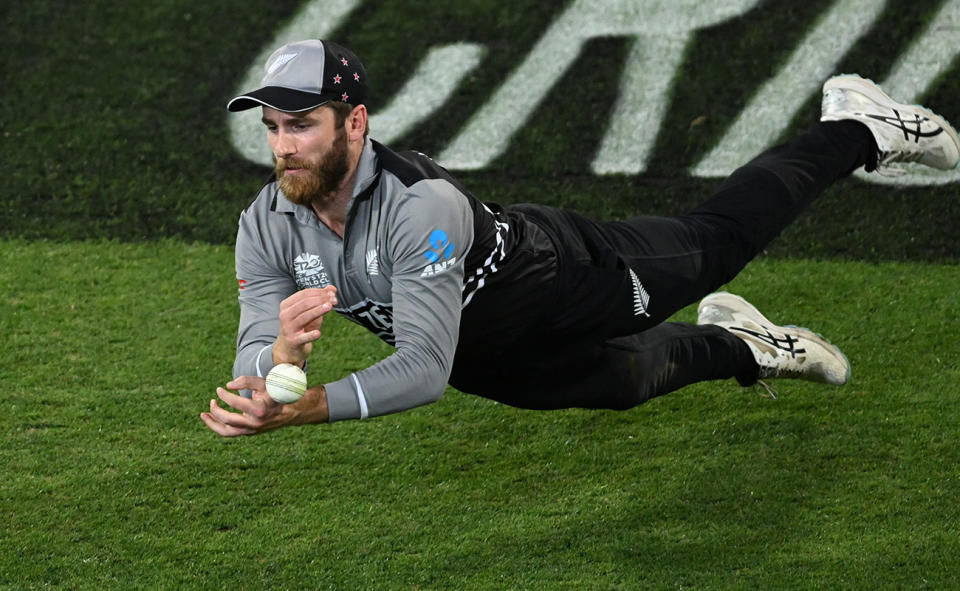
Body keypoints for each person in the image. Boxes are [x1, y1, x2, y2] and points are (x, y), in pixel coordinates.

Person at [201, 39, 959, 437]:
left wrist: (307, 403)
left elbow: (423, 370)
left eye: (301, 124)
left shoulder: (417, 208)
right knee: (628, 383)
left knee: (715, 243)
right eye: (271, 127)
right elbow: (253, 356)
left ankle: (859, 124)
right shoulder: (264, 228)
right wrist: (277, 365)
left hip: (563, 276)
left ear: (354, 123)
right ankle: (749, 345)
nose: (282, 145)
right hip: (488, 355)